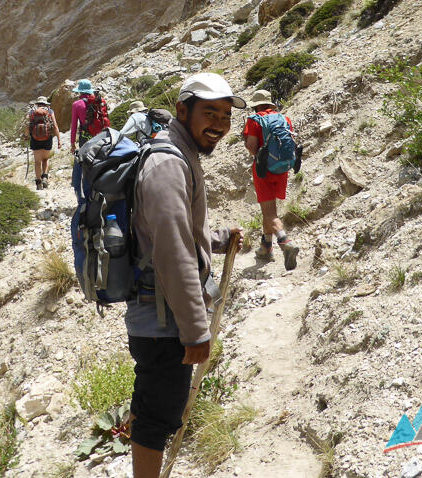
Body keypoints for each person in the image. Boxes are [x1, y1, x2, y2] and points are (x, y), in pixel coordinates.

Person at [125, 72, 245, 478]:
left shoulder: (179, 152)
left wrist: (218, 238)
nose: (220, 124)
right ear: (181, 110)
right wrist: (195, 330)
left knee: (154, 407)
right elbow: (172, 251)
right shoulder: (167, 163)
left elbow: (178, 232)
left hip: (161, 314)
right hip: (164, 322)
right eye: (209, 113)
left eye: (226, 116)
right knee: (157, 419)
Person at [242, 89, 300, 271]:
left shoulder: (254, 120)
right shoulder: (284, 118)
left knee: (269, 213)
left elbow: (252, 147)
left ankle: (285, 242)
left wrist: (250, 146)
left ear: (257, 106)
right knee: (269, 208)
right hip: (282, 168)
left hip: (263, 169)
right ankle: (266, 247)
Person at [71, 79, 109, 202]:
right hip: (101, 137)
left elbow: (73, 125)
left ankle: (84, 197)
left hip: (85, 139)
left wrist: (72, 143)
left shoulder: (77, 104)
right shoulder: (99, 102)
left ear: (80, 92)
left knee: (84, 166)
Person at [24, 96, 60, 190]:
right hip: (47, 138)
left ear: (37, 103)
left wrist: (26, 136)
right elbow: (55, 126)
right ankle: (45, 177)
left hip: (35, 139)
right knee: (45, 159)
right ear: (45, 104)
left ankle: (38, 183)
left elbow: (27, 125)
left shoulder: (32, 112)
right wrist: (59, 140)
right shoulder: (50, 111)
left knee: (37, 162)